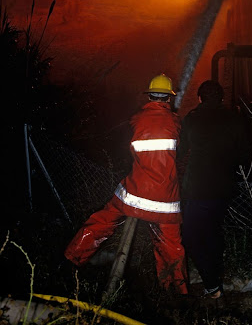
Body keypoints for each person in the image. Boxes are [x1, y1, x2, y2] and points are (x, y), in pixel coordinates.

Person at [64, 74, 188, 294]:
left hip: (134, 194)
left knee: (102, 221)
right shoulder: (176, 122)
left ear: (149, 96)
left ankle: (72, 260)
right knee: (172, 245)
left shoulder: (136, 119)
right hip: (165, 200)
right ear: (168, 99)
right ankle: (175, 292)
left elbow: (124, 148)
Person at [178, 80, 250, 299]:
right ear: (221, 99)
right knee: (213, 231)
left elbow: (179, 152)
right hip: (225, 188)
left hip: (198, 188)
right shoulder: (236, 120)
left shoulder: (192, 119)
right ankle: (216, 273)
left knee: (190, 235)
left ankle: (211, 284)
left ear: (200, 98)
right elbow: (245, 155)